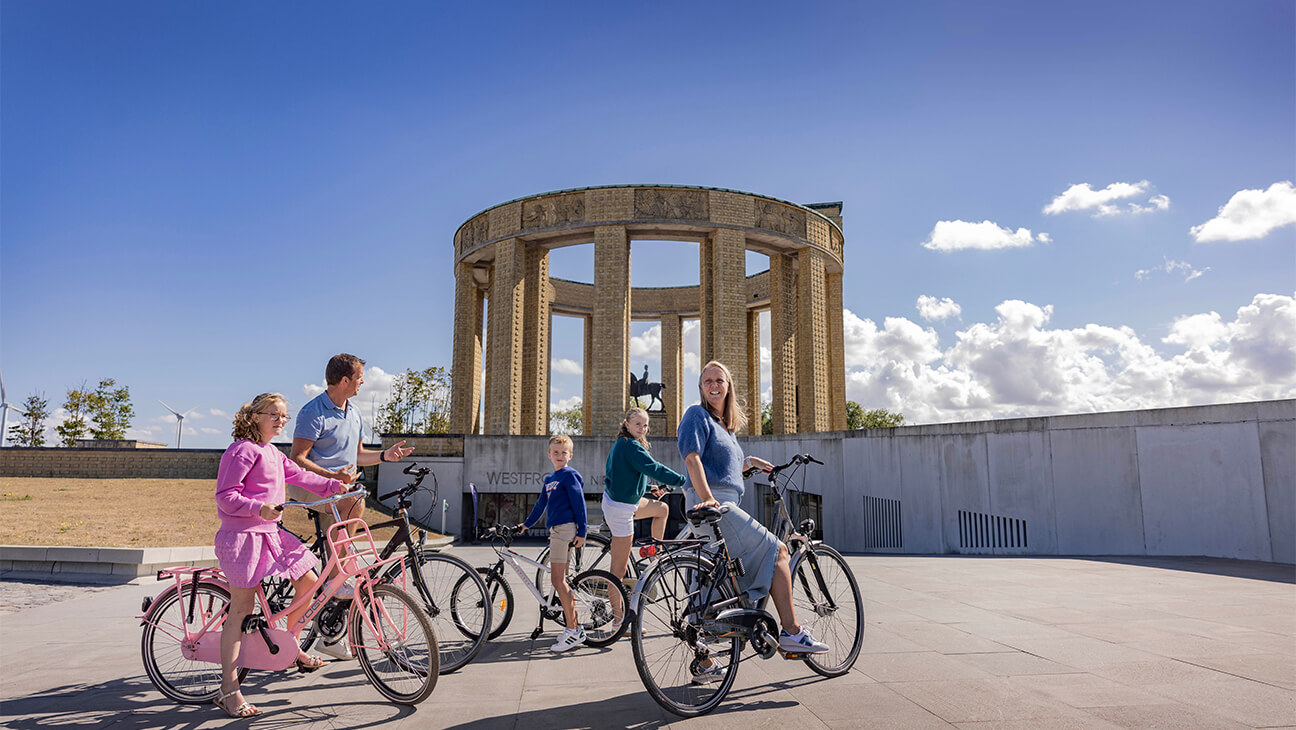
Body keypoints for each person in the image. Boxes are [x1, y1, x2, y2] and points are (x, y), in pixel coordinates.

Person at [677, 360, 828, 683]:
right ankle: (792, 632)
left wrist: (749, 463)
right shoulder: (696, 415)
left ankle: (706, 664)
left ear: (728, 386)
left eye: (719, 380)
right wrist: (708, 497)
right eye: (707, 381)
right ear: (701, 388)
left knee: (709, 585)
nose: (713, 385)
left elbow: (722, 467)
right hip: (712, 505)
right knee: (778, 551)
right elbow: (693, 458)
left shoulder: (726, 428)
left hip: (722, 503)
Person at [213, 393, 346, 718]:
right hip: (242, 537)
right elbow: (225, 497)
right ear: (255, 417)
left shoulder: (273, 453)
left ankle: (291, 645)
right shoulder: (242, 449)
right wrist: (259, 507)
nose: (280, 420)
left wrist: (335, 485)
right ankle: (229, 690)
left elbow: (300, 476)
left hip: (272, 535)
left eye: (283, 416)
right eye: (273, 414)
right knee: (242, 610)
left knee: (310, 583)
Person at [289, 353, 412, 658]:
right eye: (359, 378)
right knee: (353, 498)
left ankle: (330, 630)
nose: (362, 382)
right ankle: (337, 576)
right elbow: (298, 459)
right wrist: (332, 476)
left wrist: (385, 456)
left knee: (354, 495)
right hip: (309, 488)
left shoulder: (353, 413)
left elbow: (357, 455)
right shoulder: (312, 412)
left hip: (339, 490)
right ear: (344, 380)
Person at [603, 407, 685, 610]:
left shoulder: (623, 444)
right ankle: (618, 623)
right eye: (638, 424)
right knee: (618, 572)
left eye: (645, 425)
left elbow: (623, 476)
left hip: (622, 502)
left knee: (662, 509)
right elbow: (654, 468)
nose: (642, 428)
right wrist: (685, 480)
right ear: (627, 424)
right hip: (621, 510)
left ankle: (654, 553)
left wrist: (648, 488)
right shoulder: (631, 446)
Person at [517, 434, 589, 653]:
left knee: (557, 581)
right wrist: (527, 524)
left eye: (564, 452)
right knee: (562, 581)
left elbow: (579, 503)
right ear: (549, 455)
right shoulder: (550, 479)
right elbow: (541, 505)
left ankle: (573, 630)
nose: (559, 456)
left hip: (564, 530)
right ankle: (575, 628)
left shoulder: (569, 475)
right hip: (556, 530)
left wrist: (583, 530)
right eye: (555, 452)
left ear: (570, 455)